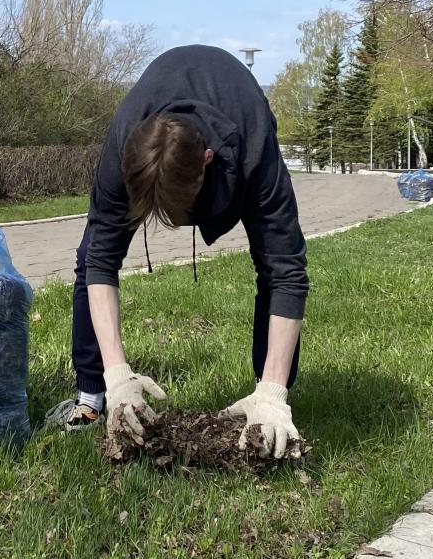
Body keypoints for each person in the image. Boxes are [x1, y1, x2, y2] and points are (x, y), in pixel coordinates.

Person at [49, 44, 308, 458]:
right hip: (150, 136)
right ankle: (94, 395)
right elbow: (101, 262)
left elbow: (288, 271)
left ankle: (269, 402)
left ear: (207, 161)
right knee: (89, 258)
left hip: (238, 117)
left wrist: (274, 391)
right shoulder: (124, 143)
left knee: (271, 267)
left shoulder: (253, 144)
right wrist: (118, 375)